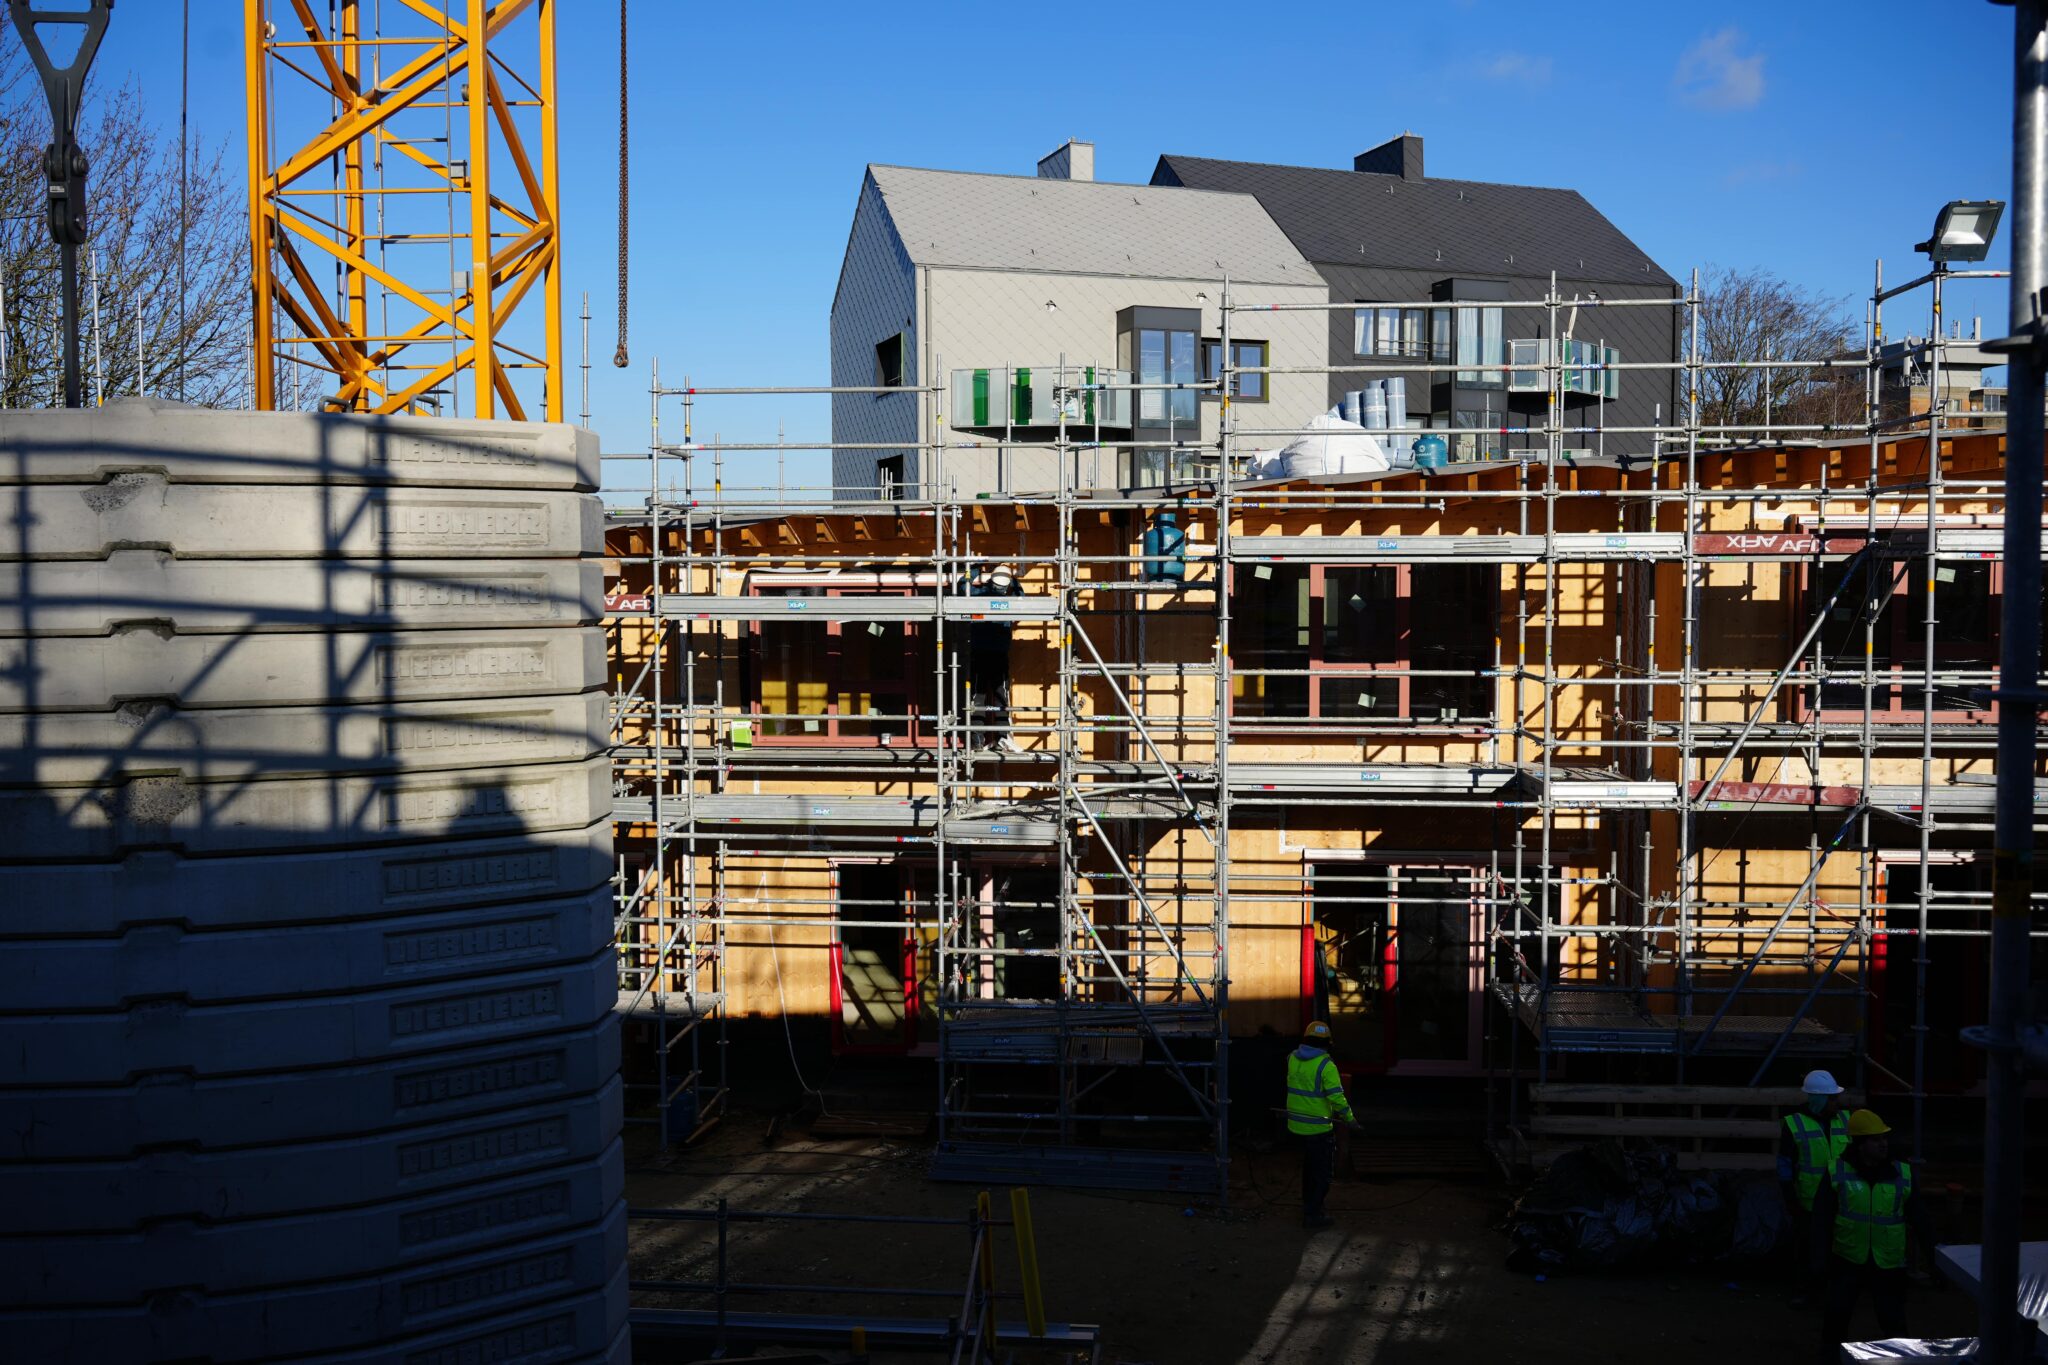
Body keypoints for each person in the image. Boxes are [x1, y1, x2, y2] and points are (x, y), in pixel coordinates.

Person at [1810, 1109, 1935, 1355]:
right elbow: (1821, 1219)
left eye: (1884, 1138)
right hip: (1847, 1261)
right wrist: (1818, 1261)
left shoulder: (1902, 1174)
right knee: (1835, 1322)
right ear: (1859, 1144)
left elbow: (1921, 1219)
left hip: (1888, 1265)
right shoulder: (1838, 1172)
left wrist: (1935, 1259)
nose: (1883, 1143)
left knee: (1895, 1325)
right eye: (1875, 1139)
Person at [1778, 1069, 1850, 1304]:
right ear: (1819, 1099)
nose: (1837, 1102)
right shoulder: (1794, 1123)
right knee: (1808, 1248)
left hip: (1841, 1199)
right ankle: (1807, 1290)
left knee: (1837, 1247)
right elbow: (1785, 1163)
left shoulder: (1847, 1120)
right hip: (1809, 1201)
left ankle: (1832, 1291)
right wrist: (1790, 1196)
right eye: (1832, 1098)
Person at [1284, 1020, 1360, 1229]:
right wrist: (1350, 1119)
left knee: (1309, 1170)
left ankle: (1308, 1205)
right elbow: (1337, 1098)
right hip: (1318, 1128)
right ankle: (1313, 1215)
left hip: (1296, 1125)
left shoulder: (1292, 1059)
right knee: (1321, 1174)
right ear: (1327, 1043)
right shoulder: (1326, 1065)